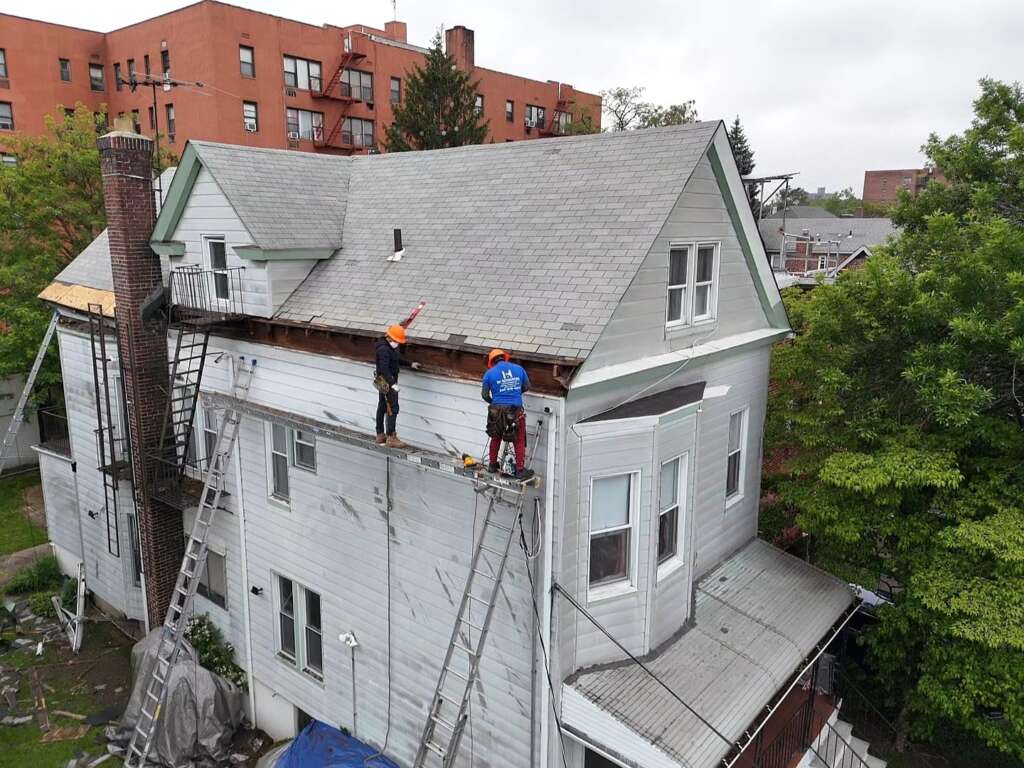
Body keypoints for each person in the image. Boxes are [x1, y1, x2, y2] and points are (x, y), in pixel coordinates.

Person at [481, 348, 533, 480]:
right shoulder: (519, 369)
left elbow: (485, 395)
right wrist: (515, 393)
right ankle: (520, 470)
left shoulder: (489, 374)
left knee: (496, 437)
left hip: (497, 412)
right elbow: (527, 386)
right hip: (515, 410)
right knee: (518, 440)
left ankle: (492, 465)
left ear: (492, 361)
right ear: (504, 357)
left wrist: (495, 402)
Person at [374, 324, 419, 448]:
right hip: (386, 381)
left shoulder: (387, 347)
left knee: (382, 406)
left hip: (382, 380)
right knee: (393, 408)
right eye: (396, 341)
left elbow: (396, 359)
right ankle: (391, 437)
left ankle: (380, 434)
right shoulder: (384, 350)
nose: (397, 343)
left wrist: (410, 364)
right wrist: (393, 384)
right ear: (389, 338)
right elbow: (384, 369)